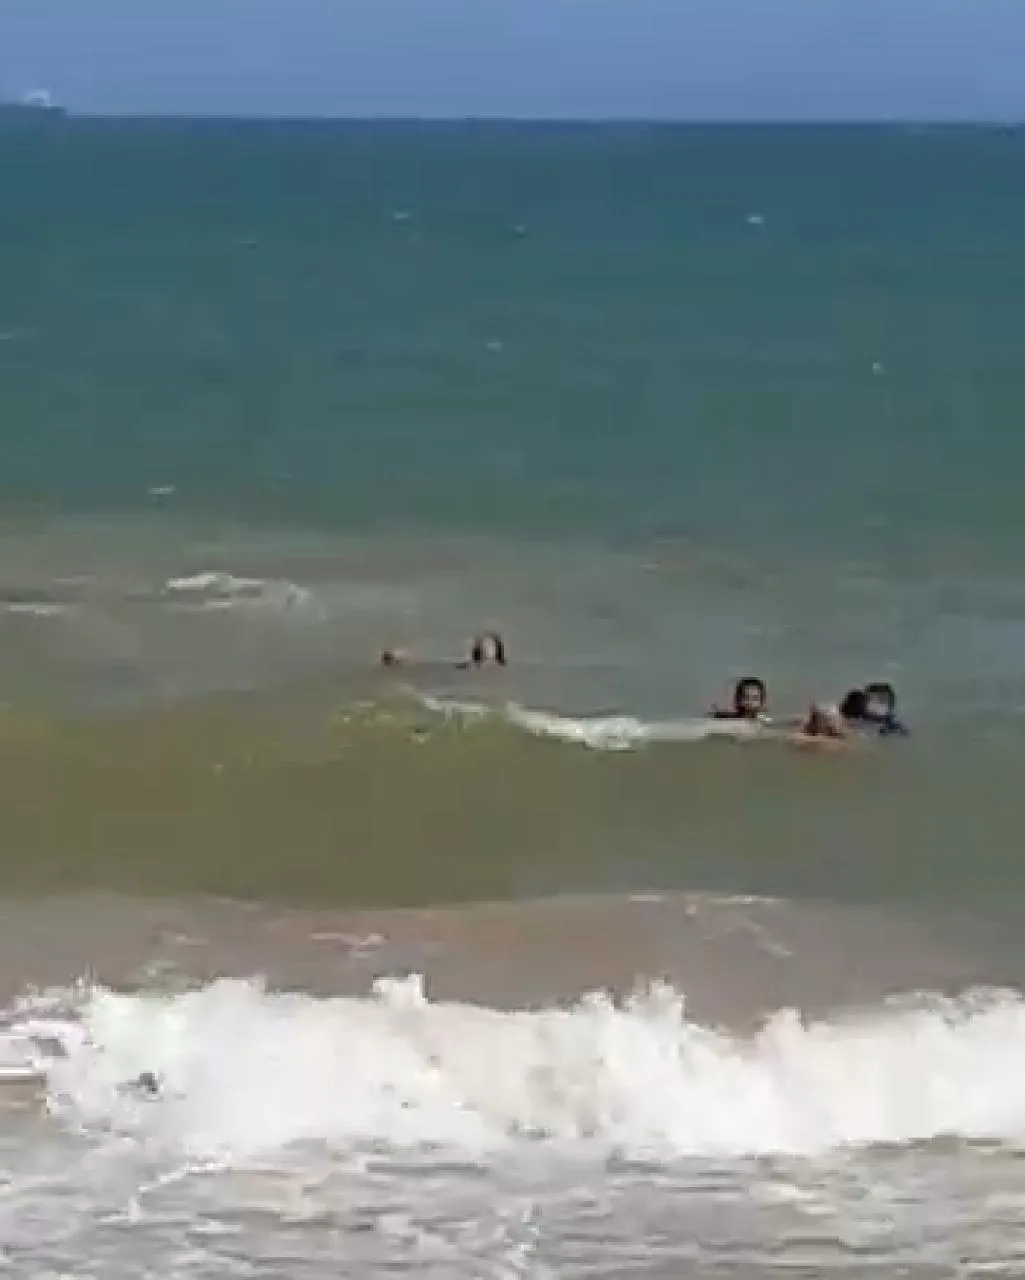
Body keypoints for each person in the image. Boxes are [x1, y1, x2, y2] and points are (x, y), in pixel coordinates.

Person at [838, 682, 909, 736]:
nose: (866, 704)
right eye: (864, 702)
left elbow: (882, 719)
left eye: (865, 701)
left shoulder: (862, 712)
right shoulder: (846, 709)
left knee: (889, 724)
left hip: (885, 718)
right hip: (879, 718)